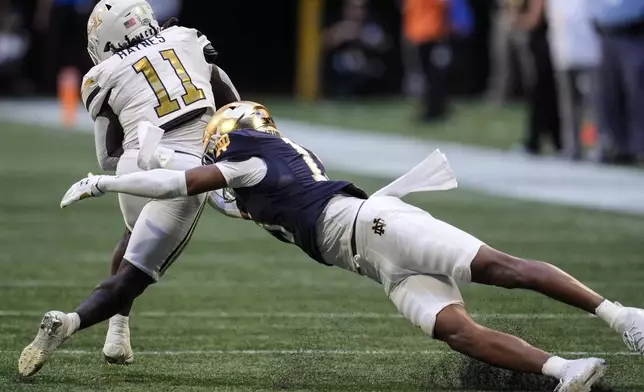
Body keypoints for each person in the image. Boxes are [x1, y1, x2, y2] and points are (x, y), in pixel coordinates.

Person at [48, 101, 644, 391]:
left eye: (215, 141)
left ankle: (622, 318)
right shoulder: (265, 165)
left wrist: (109, 179)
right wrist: (149, 146)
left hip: (380, 227)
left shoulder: (252, 160)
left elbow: (185, 182)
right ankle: (567, 371)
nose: (212, 149)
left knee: (501, 268)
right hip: (374, 263)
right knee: (457, 331)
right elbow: (197, 182)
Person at [17, 0, 240, 375]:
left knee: (133, 231)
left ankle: (117, 334)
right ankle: (68, 322)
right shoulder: (187, 39)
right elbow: (233, 105)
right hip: (184, 169)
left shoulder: (102, 74)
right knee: (132, 277)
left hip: (134, 166)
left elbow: (107, 157)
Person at [590, 0, 644, 165]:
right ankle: (615, 145)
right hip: (606, 33)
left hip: (633, 32)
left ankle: (639, 146)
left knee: (636, 92)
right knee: (609, 94)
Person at [545, 0, 599, 161]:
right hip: (564, 52)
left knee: (592, 105)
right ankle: (572, 146)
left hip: (589, 54)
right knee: (568, 106)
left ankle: (595, 145)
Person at [514, 0, 561, 156]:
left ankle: (536, 141)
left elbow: (534, 18)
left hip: (545, 41)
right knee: (547, 93)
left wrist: (519, 20)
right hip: (548, 40)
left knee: (541, 92)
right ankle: (555, 140)